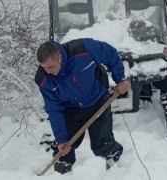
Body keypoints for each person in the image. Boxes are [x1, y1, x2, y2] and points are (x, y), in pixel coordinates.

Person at [34, 38, 129, 174]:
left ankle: (113, 157)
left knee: (101, 145)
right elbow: (54, 109)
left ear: (59, 57)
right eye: (44, 68)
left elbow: (110, 54)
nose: (48, 71)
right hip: (70, 109)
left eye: (50, 67)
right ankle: (61, 173)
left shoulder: (84, 49)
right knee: (64, 148)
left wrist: (120, 79)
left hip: (98, 100)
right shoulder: (43, 79)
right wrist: (61, 139)